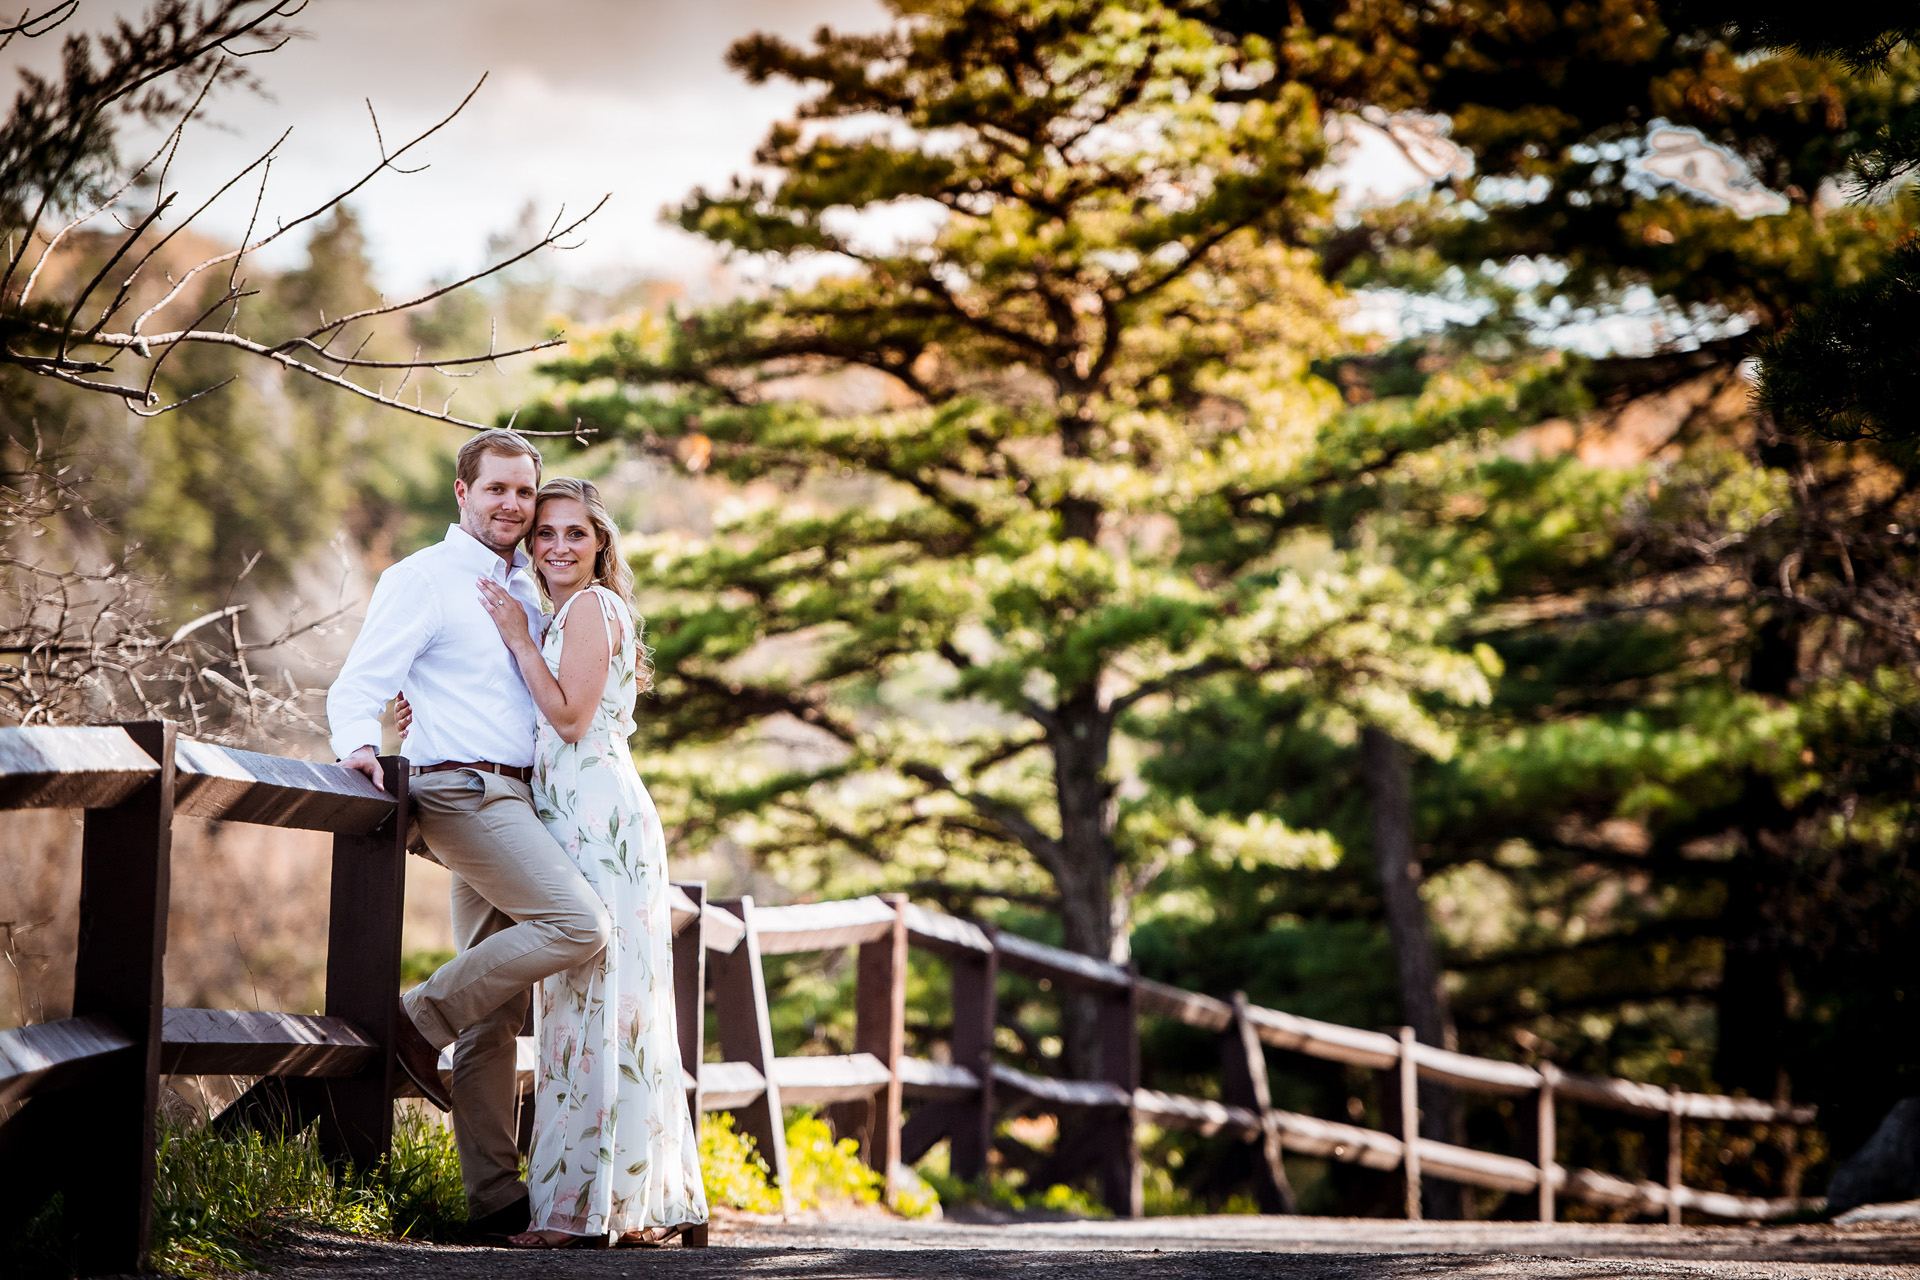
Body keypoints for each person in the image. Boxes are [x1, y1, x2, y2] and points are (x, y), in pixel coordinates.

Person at [326, 430, 612, 1241]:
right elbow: (360, 682)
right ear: (462, 492)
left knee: (497, 1014)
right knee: (578, 924)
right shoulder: (423, 578)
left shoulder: (530, 585)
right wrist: (358, 745)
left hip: (519, 800)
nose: (513, 506)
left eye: (524, 492)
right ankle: (415, 1020)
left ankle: (493, 1199)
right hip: (464, 792)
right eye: (497, 490)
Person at [471, 477, 708, 1248]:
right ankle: (615, 1202)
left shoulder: (589, 608)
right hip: (582, 813)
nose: (557, 546)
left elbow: (571, 719)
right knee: (600, 1009)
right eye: (545, 533)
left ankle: (579, 1211)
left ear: (601, 541)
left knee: (595, 1009)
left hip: (597, 817)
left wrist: (517, 637)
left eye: (575, 532)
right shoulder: (566, 614)